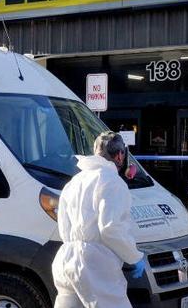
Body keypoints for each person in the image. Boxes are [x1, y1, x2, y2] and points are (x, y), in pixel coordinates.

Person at [52, 131, 145, 308]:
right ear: (119, 155)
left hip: (66, 259)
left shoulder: (74, 182)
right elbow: (111, 229)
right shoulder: (113, 182)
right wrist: (134, 257)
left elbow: (63, 227)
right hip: (95, 264)